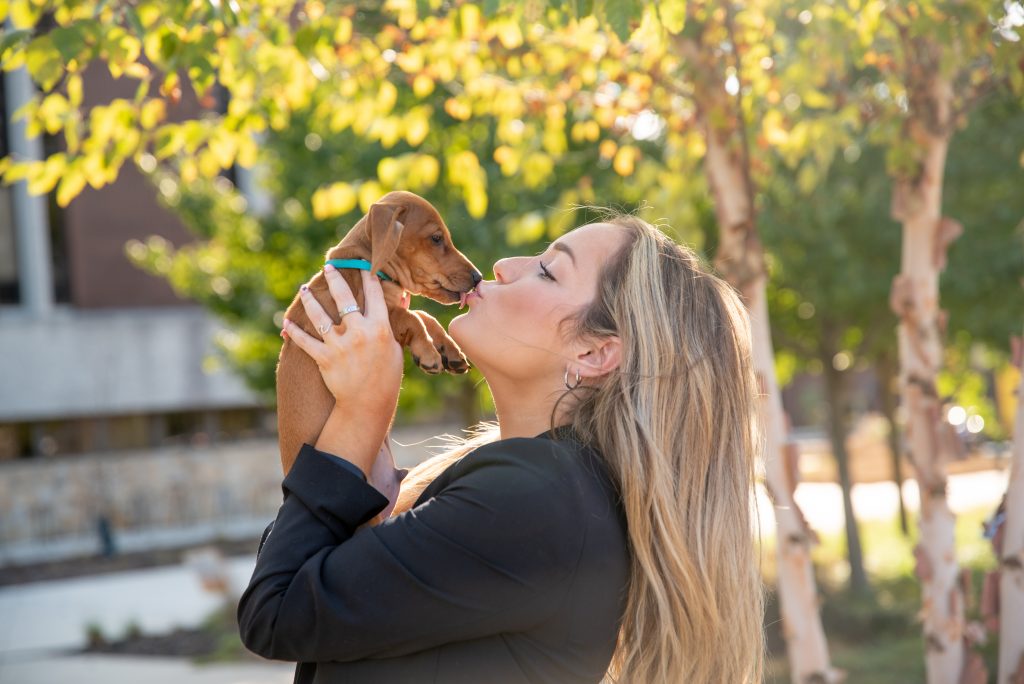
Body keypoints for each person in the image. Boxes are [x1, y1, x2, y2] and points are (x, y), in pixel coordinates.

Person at [237, 214, 765, 683]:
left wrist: (361, 411)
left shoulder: (531, 503)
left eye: (547, 270)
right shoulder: (545, 489)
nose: (504, 265)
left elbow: (277, 613)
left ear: (594, 351)